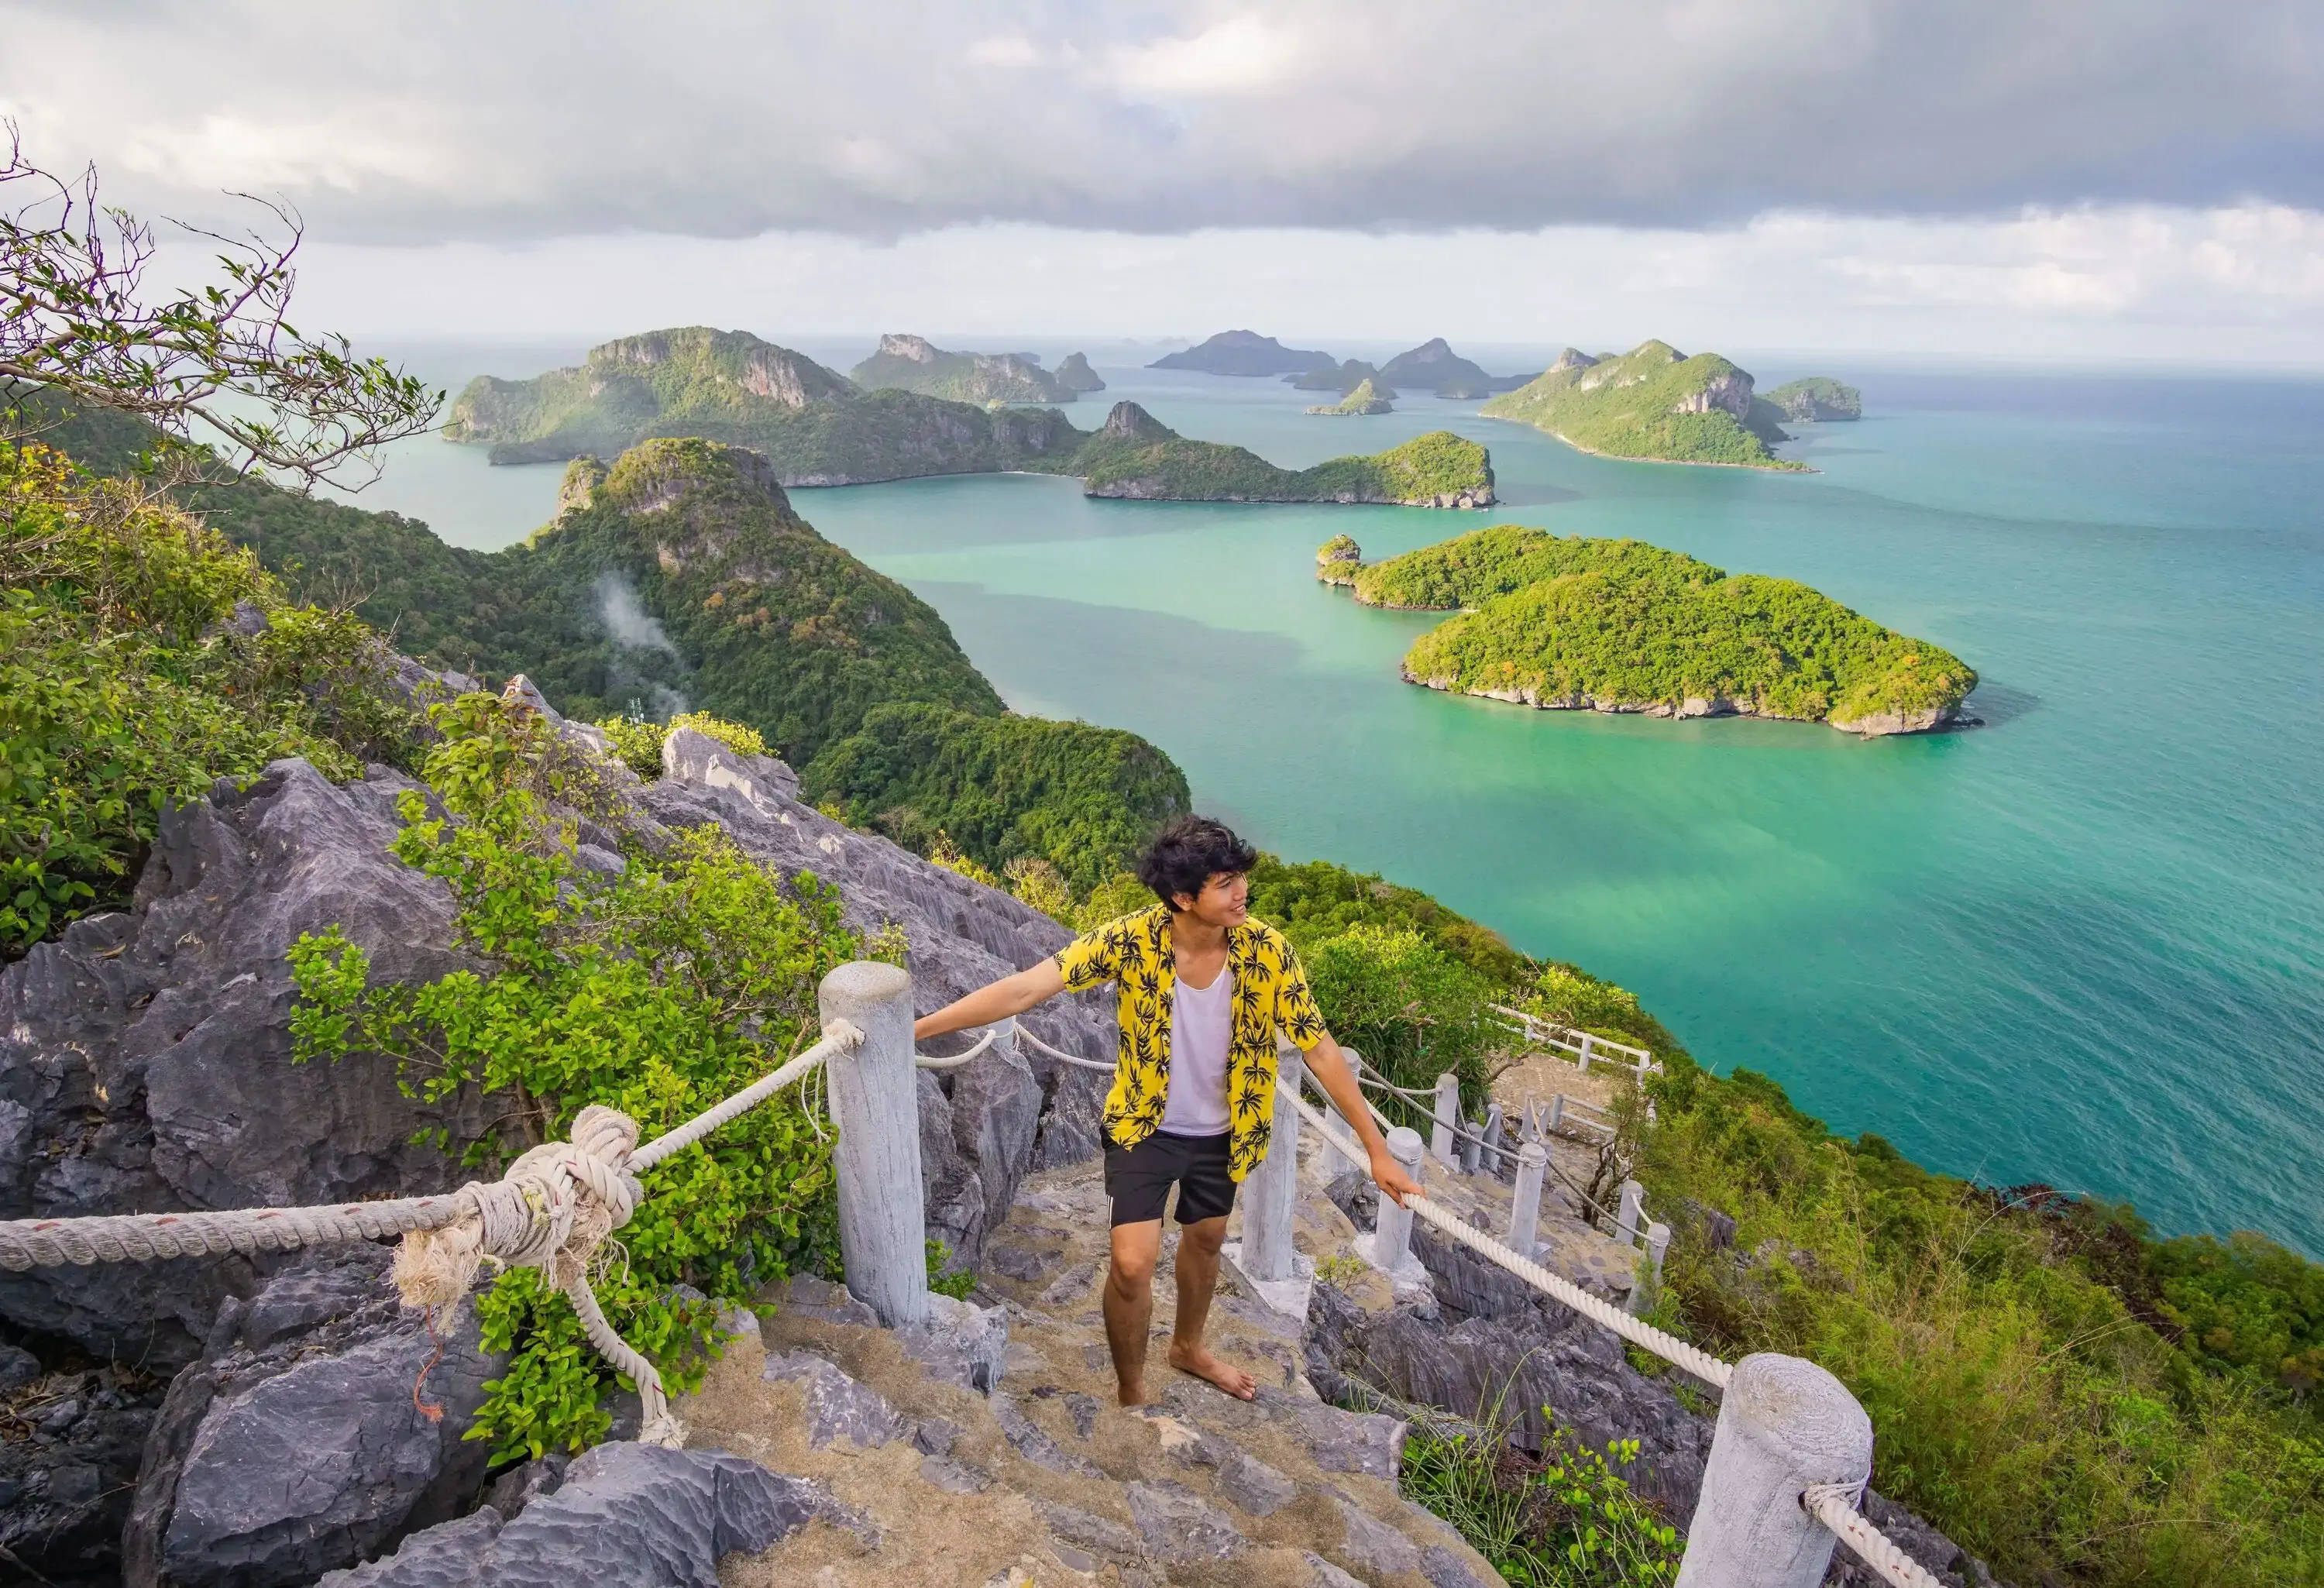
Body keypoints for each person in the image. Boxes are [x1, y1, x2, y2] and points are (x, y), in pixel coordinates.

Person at [913, 815, 1423, 1406]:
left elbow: (1319, 1047)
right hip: (1143, 1126)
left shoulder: (1267, 952)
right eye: (1226, 884)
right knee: (1132, 1265)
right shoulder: (1133, 939)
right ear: (1184, 897)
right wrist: (920, 1028)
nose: (1242, 894)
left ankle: (1188, 1348)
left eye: (1241, 880)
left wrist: (1376, 1151)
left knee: (1205, 1242)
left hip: (1227, 1134)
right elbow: (1025, 989)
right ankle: (1131, 1389)